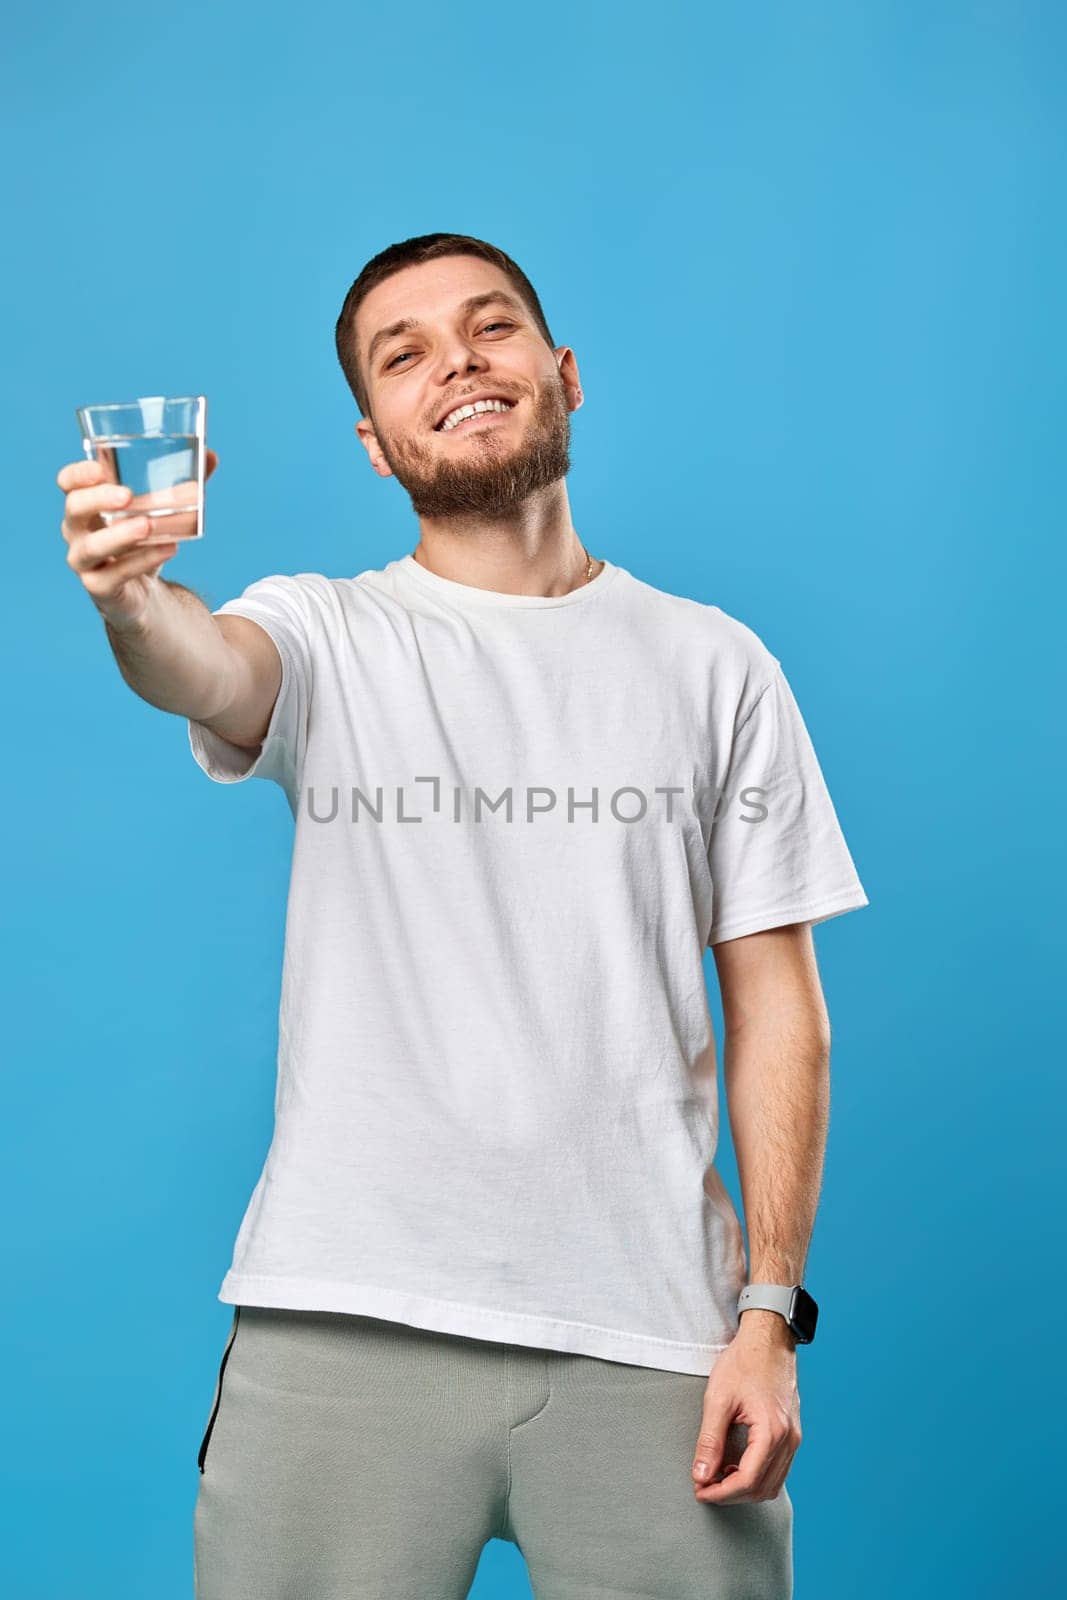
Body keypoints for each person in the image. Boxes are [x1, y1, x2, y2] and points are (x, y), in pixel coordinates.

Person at [57, 232, 869, 1599]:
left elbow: (778, 999)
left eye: (489, 331)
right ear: (376, 442)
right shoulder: (324, 636)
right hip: (344, 1326)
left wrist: (768, 1316)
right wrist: (130, 597)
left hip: (659, 1341)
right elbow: (200, 664)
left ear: (562, 374)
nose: (458, 366)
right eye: (407, 355)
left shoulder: (719, 665)